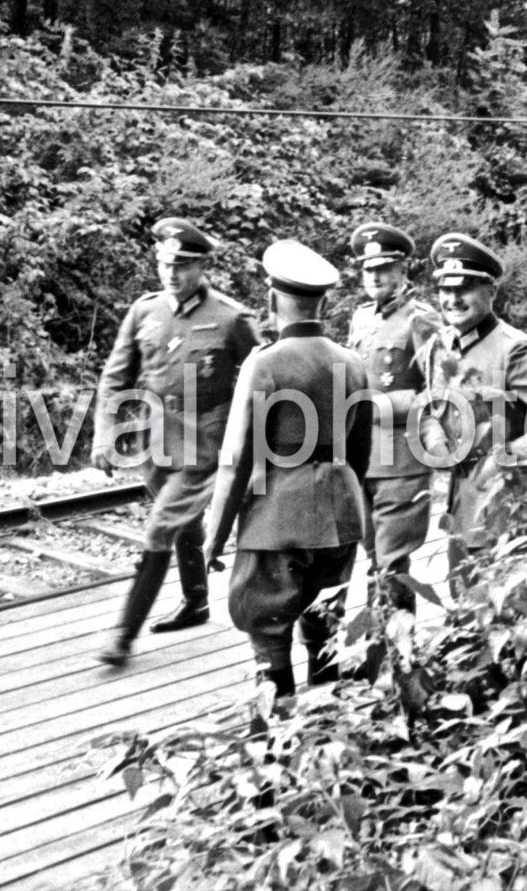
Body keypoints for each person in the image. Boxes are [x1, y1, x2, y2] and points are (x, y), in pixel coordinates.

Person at [206, 240, 373, 704]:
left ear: (272, 299)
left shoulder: (265, 364)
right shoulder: (352, 362)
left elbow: (237, 459)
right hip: (340, 517)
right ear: (324, 302)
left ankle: (274, 745)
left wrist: (214, 538)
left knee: (267, 631)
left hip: (278, 519)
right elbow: (360, 454)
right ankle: (327, 734)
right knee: (326, 630)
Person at [91, 218, 262, 668]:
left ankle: (122, 637)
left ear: (203, 265)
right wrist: (106, 432)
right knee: (182, 521)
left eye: (183, 265)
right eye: (165, 263)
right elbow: (116, 375)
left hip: (204, 446)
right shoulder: (144, 311)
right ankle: (197, 600)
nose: (172, 272)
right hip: (155, 442)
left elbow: (264, 376)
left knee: (160, 527)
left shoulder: (230, 318)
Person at [416, 233, 527, 581]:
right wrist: (437, 443)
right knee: (467, 613)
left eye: (464, 288)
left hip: (517, 512)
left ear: (491, 292)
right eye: (445, 290)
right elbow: (432, 408)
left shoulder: (517, 351)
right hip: (463, 511)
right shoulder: (440, 346)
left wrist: (504, 456)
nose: (452, 299)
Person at [343, 222, 441, 616]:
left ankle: (391, 665)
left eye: (385, 268)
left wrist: (386, 405)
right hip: (363, 458)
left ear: (404, 270)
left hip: (401, 461)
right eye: (368, 270)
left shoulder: (421, 319)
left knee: (391, 564)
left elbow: (442, 396)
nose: (376, 277)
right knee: (374, 559)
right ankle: (379, 657)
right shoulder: (361, 317)